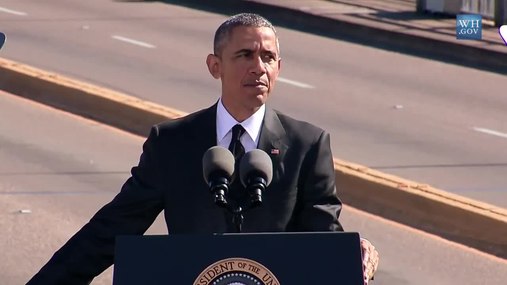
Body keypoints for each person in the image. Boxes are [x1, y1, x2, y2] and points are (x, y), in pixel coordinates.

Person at [28, 13, 378, 284]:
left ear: (279, 69)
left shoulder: (307, 145)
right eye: (245, 54)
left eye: (268, 57)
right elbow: (111, 229)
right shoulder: (173, 143)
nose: (259, 67)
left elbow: (322, 238)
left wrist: (356, 255)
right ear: (215, 66)